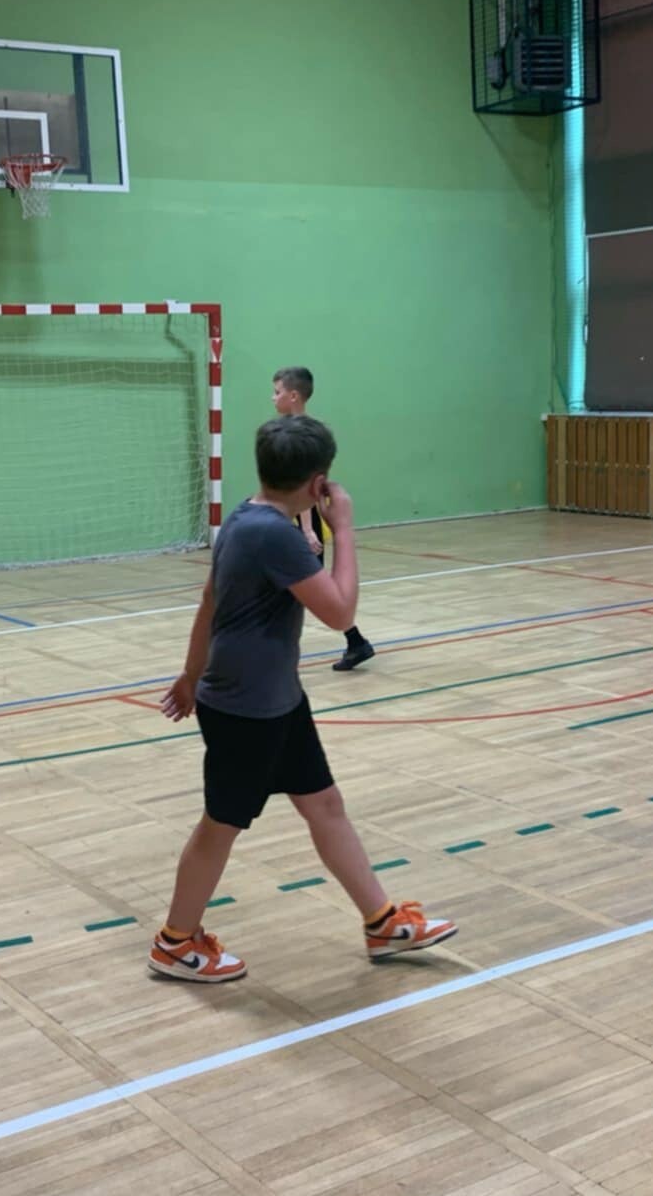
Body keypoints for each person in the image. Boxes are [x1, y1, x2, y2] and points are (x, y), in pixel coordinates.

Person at [151, 413, 454, 981]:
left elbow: (210, 602)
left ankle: (381, 922)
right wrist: (345, 529)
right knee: (220, 824)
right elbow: (340, 611)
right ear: (319, 484)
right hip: (246, 710)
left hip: (279, 701)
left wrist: (191, 674)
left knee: (324, 804)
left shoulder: (246, 518)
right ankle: (174, 942)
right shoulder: (273, 536)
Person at [272, 366, 375, 670]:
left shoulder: (297, 434)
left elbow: (302, 485)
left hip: (304, 521)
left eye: (277, 392)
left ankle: (351, 642)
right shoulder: (309, 430)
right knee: (302, 587)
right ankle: (355, 641)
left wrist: (306, 529)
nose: (273, 398)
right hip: (296, 519)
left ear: (293, 396)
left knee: (304, 588)